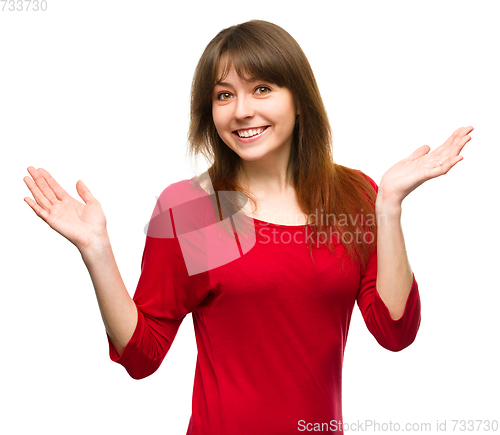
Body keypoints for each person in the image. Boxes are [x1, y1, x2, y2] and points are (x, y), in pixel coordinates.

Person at [23, 20, 473, 435]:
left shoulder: (352, 196)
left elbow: (394, 332)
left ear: (299, 100)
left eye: (262, 88)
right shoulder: (195, 209)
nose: (241, 111)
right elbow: (143, 355)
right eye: (223, 95)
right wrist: (97, 251)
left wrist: (388, 206)